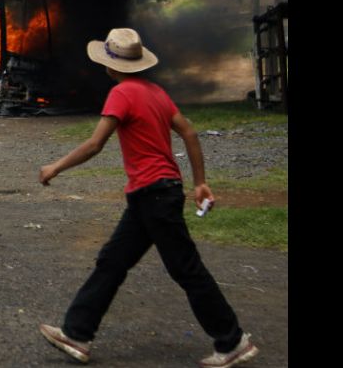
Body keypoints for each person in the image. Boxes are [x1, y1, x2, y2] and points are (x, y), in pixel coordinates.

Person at [37, 28, 258, 368]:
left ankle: (232, 341)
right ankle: (77, 334)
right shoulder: (156, 93)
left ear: (111, 67)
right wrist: (200, 182)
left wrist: (56, 166)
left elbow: (95, 144)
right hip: (153, 195)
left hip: (154, 195)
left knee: (186, 269)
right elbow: (189, 132)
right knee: (112, 262)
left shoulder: (121, 94)